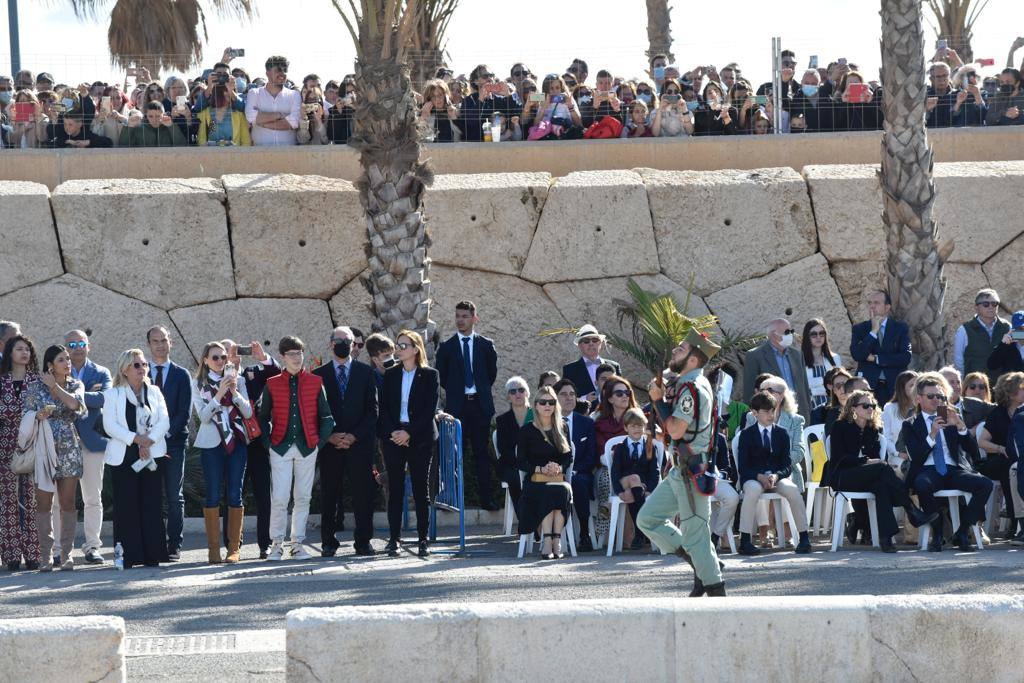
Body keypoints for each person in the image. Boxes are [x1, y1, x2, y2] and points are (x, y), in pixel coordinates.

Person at [638, 330, 726, 596]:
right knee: (648, 519)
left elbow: (675, 430)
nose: (675, 350)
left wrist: (657, 401)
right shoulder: (687, 382)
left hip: (692, 472)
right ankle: (702, 564)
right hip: (680, 470)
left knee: (696, 535)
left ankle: (716, 590)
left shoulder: (691, 387)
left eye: (681, 348)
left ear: (694, 359)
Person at [830, 389, 938, 552]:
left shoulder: (873, 430)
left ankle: (885, 539)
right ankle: (911, 509)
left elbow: (876, 459)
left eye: (872, 405)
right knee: (882, 467)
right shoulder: (840, 427)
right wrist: (865, 461)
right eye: (865, 405)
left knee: (882, 486)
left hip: (867, 477)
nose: (870, 409)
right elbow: (839, 459)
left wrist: (871, 462)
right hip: (843, 476)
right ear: (853, 408)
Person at [258, 336, 334, 560]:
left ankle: (297, 544)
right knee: (280, 497)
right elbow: (262, 417)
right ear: (282, 356)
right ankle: (276, 544)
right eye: (291, 354)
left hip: (308, 447)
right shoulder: (272, 383)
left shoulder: (315, 381)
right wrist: (268, 443)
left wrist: (318, 444)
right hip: (280, 447)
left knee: (303, 497)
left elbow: (327, 417)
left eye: (299, 353)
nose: (297, 358)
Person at [899, 372, 993, 552]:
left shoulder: (952, 416)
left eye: (940, 396)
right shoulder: (910, 424)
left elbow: (973, 451)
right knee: (921, 484)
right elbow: (916, 457)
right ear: (919, 399)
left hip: (953, 468)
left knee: (985, 484)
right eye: (931, 396)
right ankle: (938, 531)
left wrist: (961, 427)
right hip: (928, 469)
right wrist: (932, 434)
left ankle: (963, 531)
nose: (937, 400)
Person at [312, 326, 379, 557]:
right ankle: (328, 542)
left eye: (347, 341)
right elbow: (312, 413)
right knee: (329, 494)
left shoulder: (366, 373)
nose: (342, 344)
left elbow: (372, 411)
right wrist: (329, 436)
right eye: (337, 340)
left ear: (353, 345)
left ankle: (363, 542)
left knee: (363, 494)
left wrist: (354, 436)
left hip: (358, 444)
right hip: (331, 445)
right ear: (331, 344)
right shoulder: (318, 374)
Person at [102, 349, 171, 569]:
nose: (142, 369)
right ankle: (128, 555)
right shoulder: (113, 394)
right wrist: (136, 440)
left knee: (151, 504)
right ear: (124, 370)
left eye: (144, 365)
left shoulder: (155, 392)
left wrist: (147, 440)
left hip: (151, 451)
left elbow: (165, 420)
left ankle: (153, 554)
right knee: (127, 506)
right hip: (125, 455)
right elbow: (110, 426)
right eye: (137, 366)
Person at [190, 342, 253, 564]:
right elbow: (204, 417)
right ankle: (213, 549)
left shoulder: (240, 380)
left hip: (237, 441)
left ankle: (234, 548)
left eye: (223, 357)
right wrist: (220, 394)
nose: (220, 361)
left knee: (235, 494)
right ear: (205, 360)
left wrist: (234, 391)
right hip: (211, 444)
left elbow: (247, 411)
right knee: (213, 494)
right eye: (215, 357)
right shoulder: (198, 384)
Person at [27, 345, 87, 572]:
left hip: (69, 446)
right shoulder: (35, 387)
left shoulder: (75, 384)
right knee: (43, 503)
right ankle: (45, 556)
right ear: (50, 365)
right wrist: (38, 416)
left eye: (68, 360)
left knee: (68, 502)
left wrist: (55, 387)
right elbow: (28, 414)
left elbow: (75, 405)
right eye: (62, 360)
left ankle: (66, 554)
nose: (67, 363)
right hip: (44, 446)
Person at [435, 301, 499, 511]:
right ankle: (451, 498)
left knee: (481, 453)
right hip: (457, 407)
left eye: (464, 316)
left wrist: (476, 390)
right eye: (458, 316)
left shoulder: (485, 345)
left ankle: (486, 498)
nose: (460, 320)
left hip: (479, 406)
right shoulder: (446, 347)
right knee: (453, 454)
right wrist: (457, 393)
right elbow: (443, 377)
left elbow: (490, 374)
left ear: (474, 318)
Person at [380, 330, 439, 558]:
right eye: (398, 345)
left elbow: (428, 410)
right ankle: (394, 539)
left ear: (416, 349)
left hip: (420, 437)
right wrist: (394, 431)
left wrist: (409, 433)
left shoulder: (430, 375)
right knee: (394, 488)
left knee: (419, 488)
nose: (399, 349)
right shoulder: (391, 374)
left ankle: (423, 540)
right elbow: (383, 407)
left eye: (404, 345)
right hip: (394, 437)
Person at [735, 390, 812, 556]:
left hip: (776, 477)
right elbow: (743, 466)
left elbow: (786, 465)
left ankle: (804, 537)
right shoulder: (746, 435)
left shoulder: (781, 433)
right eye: (765, 412)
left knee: (792, 489)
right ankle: (745, 540)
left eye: (773, 410)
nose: (770, 415)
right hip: (754, 477)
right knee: (753, 490)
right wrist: (759, 476)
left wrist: (776, 476)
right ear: (754, 413)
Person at [57, 330, 110, 567]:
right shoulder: (56, 371)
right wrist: (80, 397)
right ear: (65, 348)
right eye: (72, 344)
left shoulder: (101, 372)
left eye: (82, 343)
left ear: (89, 346)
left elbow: (105, 398)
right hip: (63, 445)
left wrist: (73, 395)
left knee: (92, 498)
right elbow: (50, 397)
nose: (78, 347)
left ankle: (92, 546)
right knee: (60, 501)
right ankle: (58, 548)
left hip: (92, 443)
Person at [146, 326, 191, 560]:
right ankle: (155, 544)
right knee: (152, 495)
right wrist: (150, 438)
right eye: (155, 341)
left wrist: (164, 435)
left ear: (170, 342)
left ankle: (174, 545)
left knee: (175, 495)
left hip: (173, 444)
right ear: (149, 345)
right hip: (147, 445)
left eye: (163, 340)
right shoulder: (141, 374)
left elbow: (184, 412)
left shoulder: (181, 374)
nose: (160, 345)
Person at [516, 386, 573, 560]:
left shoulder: (562, 427)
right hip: (535, 481)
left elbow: (568, 457)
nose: (547, 405)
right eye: (543, 402)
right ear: (536, 405)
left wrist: (559, 468)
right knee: (550, 491)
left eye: (551, 402)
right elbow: (521, 461)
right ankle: (549, 541)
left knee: (561, 490)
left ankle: (555, 541)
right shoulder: (527, 431)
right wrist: (541, 469)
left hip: (557, 478)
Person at [0, 336, 41, 570]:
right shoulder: (2, 381)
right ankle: (12, 555)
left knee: (31, 500)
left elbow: (43, 409)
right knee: (8, 502)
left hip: (32, 445)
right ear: (10, 353)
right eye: (19, 349)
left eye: (27, 349)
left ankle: (34, 553)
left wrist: (22, 414)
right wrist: (27, 413)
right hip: (5, 446)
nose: (24, 353)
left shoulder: (37, 381)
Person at [977, 372, 1023, 537]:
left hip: (1020, 459)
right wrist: (999, 448)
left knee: (1015, 468)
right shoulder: (998, 413)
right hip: (998, 460)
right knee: (1009, 469)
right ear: (1011, 392)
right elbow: (982, 442)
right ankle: (1015, 520)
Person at [743, 318, 813, 422]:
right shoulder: (755, 355)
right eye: (787, 332)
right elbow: (749, 391)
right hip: (772, 414)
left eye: (791, 331)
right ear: (773, 334)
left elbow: (805, 388)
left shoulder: (797, 354)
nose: (791, 335)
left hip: (799, 414)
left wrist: (808, 411)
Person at [554, 378, 596, 551]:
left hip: (581, 473)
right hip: (556, 473)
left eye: (572, 394)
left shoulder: (586, 423)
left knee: (578, 483)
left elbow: (592, 455)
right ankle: (554, 536)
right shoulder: (547, 422)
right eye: (563, 394)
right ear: (555, 398)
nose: (569, 398)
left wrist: (576, 470)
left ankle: (584, 534)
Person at [610, 408, 660, 550]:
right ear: (626, 428)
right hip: (624, 482)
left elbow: (654, 472)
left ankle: (638, 535)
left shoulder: (650, 447)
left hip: (641, 486)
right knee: (633, 478)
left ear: (644, 427)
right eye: (633, 426)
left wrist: (650, 490)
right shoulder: (620, 448)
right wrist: (619, 491)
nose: (636, 429)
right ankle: (641, 531)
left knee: (634, 489)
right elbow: (615, 472)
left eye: (639, 426)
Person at [850, 290, 912, 405]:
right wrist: (873, 332)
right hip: (869, 386)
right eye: (870, 303)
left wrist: (876, 359)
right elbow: (857, 354)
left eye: (877, 303)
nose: (872, 306)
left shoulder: (900, 328)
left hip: (894, 386)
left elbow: (905, 357)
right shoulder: (860, 329)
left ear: (887, 307)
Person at [953, 289, 1009, 383]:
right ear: (976, 307)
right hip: (975, 388)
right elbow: (959, 361)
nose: (991, 307)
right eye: (986, 304)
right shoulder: (964, 330)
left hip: (1001, 387)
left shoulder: (1007, 326)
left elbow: (1020, 344)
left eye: (994, 304)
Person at [494, 376, 532, 510]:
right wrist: (521, 463)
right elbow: (503, 449)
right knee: (515, 478)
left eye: (521, 390)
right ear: (508, 397)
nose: (517, 394)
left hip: (536, 462)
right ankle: (524, 522)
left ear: (527, 393)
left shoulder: (538, 416)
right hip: (511, 465)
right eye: (512, 391)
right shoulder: (502, 421)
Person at [245, 55, 301, 145]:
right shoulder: (254, 93)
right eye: (278, 70)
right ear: (267, 73)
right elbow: (251, 117)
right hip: (260, 154)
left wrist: (263, 124)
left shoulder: (294, 95)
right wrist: (280, 115)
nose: (282, 73)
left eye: (285, 70)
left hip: (288, 155)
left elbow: (294, 123)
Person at [562, 324, 621, 405]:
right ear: (579, 345)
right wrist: (584, 399)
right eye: (586, 341)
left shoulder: (614, 366)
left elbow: (621, 390)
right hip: (585, 415)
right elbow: (564, 398)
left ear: (600, 343)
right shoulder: (570, 370)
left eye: (595, 340)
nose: (591, 343)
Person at [802, 318, 842, 410]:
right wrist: (825, 383)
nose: (818, 337)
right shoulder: (800, 360)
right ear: (807, 336)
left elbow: (839, 385)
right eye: (813, 334)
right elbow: (803, 387)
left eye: (821, 333)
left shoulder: (835, 358)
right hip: (809, 407)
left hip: (833, 406)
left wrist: (813, 390)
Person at [881, 370, 919, 467]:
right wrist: (898, 453)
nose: (916, 389)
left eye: (918, 385)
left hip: (919, 455)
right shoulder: (889, 408)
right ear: (902, 389)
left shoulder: (923, 407)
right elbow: (886, 437)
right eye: (911, 385)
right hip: (897, 456)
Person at [197, 81, 251, 146]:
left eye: (231, 89)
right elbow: (201, 138)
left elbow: (246, 141)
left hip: (233, 154)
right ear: (217, 92)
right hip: (211, 154)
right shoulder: (206, 113)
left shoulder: (238, 113)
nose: (229, 92)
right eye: (226, 90)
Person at [940, 366, 990, 430]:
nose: (957, 386)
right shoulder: (936, 406)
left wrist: (977, 428)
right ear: (941, 385)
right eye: (952, 382)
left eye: (958, 382)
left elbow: (997, 411)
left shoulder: (975, 404)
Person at [119, 101, 187, 147]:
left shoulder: (169, 127)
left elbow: (182, 145)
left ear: (164, 115)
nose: (154, 120)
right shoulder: (139, 128)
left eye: (158, 116)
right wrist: (129, 127)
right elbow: (123, 146)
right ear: (146, 116)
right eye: (150, 116)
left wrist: (172, 127)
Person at [987, 311, 1024, 378]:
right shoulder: (1007, 346)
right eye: (1020, 329)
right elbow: (992, 365)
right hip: (1011, 387)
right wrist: (1003, 344)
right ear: (1013, 329)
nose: (1023, 331)